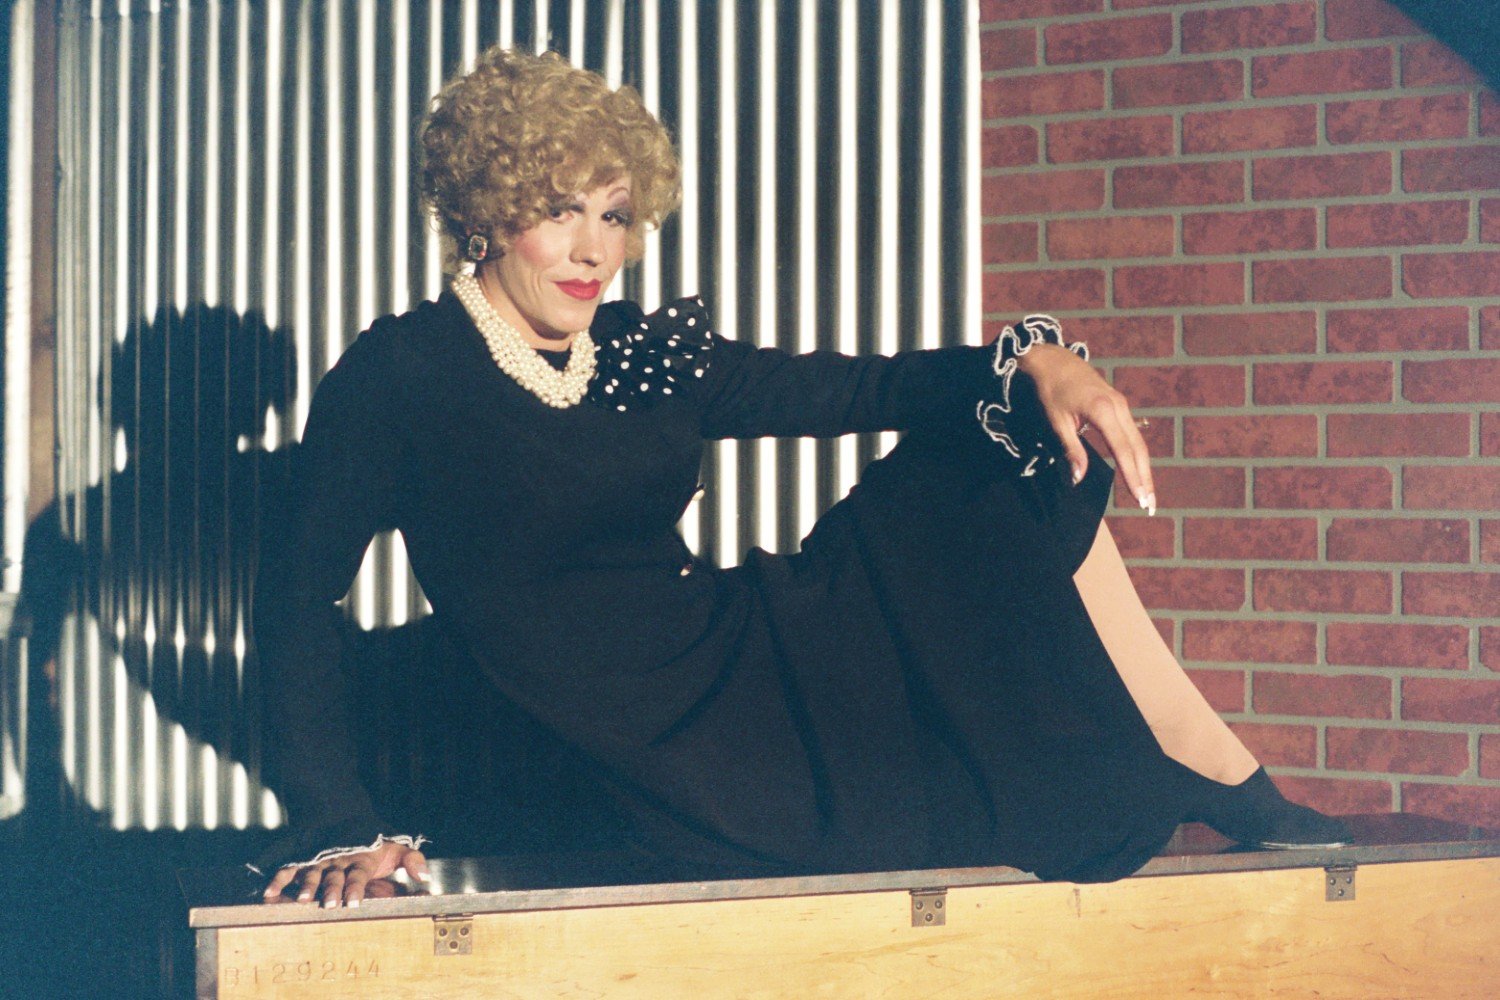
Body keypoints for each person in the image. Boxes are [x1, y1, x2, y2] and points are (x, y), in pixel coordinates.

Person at [256, 47, 1348, 910]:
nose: (594, 249)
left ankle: (1215, 763)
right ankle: (1194, 775)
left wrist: (1030, 359)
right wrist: (337, 821)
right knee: (1046, 799)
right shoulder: (403, 373)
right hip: (654, 753)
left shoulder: (640, 350)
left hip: (745, 657)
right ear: (491, 208)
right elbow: (298, 604)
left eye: (616, 213)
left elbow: (855, 388)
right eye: (560, 212)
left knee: (993, 439)